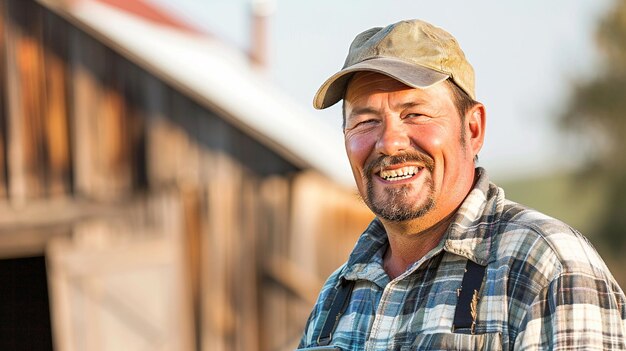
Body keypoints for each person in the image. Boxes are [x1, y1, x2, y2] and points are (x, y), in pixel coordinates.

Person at [297, 19, 626, 350]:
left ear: (473, 129)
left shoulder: (545, 266)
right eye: (366, 121)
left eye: (415, 114)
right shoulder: (335, 298)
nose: (390, 143)